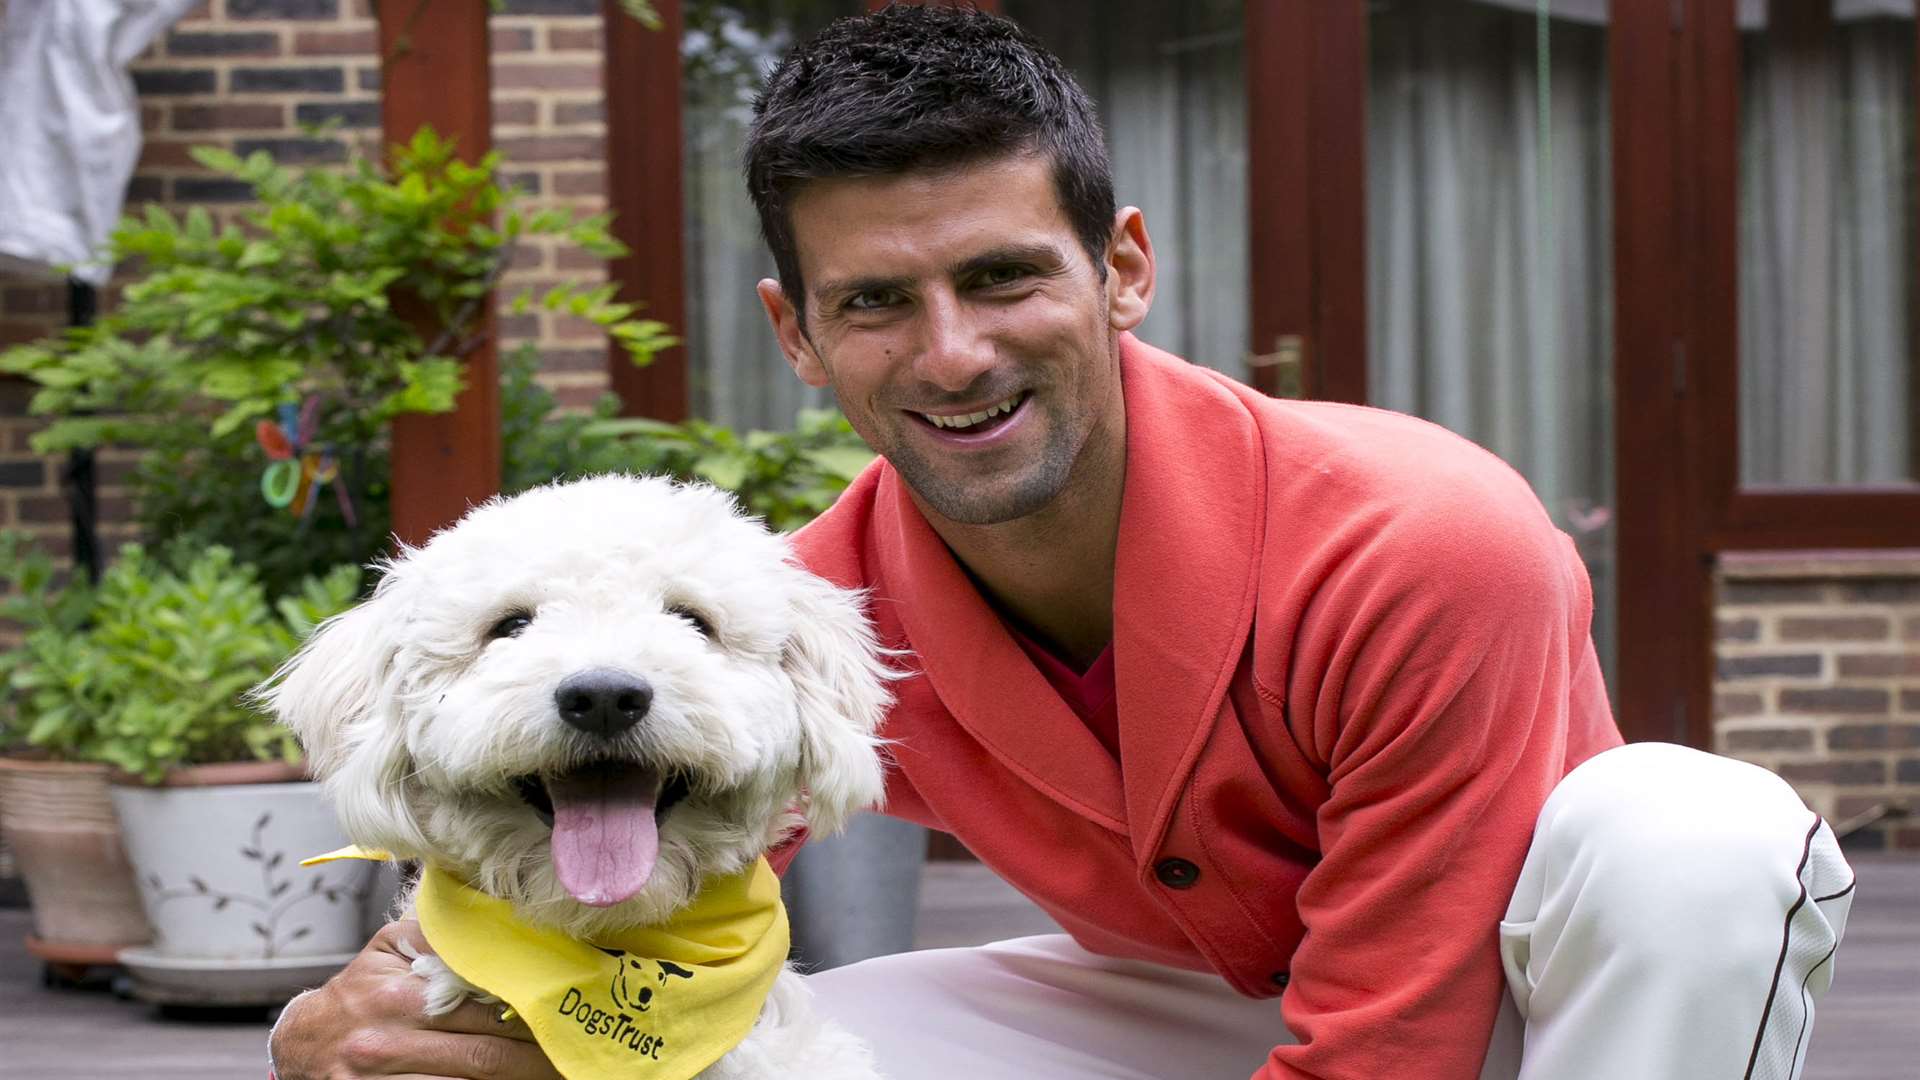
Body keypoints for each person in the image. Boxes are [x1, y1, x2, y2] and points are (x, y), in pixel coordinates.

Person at [267, 6, 1855, 1079]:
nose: (952, 352)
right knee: (789, 1041)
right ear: (799, 336)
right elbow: (634, 885)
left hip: (1528, 1009)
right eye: (877, 301)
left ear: (1124, 269)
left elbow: (1397, 1035)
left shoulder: (1419, 541)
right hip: (1203, 1008)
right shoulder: (796, 610)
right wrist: (362, 1023)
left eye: (1006, 277)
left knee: (1687, 833)